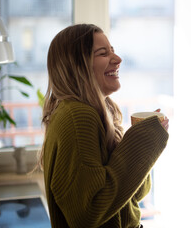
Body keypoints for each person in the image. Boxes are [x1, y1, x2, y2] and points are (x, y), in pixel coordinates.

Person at [38, 24, 169, 228]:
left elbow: (134, 195)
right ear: (77, 65)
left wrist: (140, 147)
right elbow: (88, 211)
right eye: (103, 53)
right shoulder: (78, 116)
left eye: (113, 51)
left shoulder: (95, 111)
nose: (117, 60)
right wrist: (142, 144)